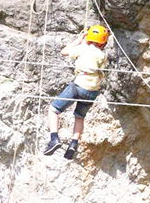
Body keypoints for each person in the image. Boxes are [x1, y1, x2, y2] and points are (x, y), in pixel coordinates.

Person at [43, 25, 109, 159]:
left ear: (89, 38)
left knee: (53, 109)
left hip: (79, 85)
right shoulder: (103, 55)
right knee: (79, 116)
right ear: (103, 43)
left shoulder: (83, 48)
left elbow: (64, 51)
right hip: (93, 90)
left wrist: (79, 40)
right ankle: (73, 143)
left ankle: (54, 138)